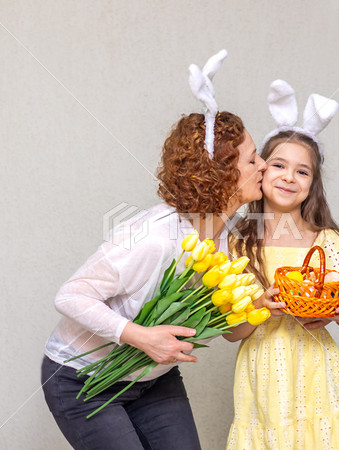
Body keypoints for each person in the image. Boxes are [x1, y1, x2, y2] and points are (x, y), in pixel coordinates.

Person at [41, 50, 267, 450]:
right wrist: (140, 336)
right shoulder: (153, 236)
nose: (264, 165)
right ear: (221, 173)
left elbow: (233, 333)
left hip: (151, 380)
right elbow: (70, 295)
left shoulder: (225, 239)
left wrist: (264, 305)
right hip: (83, 380)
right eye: (253, 159)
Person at [225, 80, 339, 449]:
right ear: (260, 171)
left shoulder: (326, 241)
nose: (289, 176)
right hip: (262, 375)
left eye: (302, 171)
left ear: (312, 184)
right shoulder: (238, 243)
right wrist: (260, 309)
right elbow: (230, 331)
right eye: (278, 165)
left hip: (316, 373)